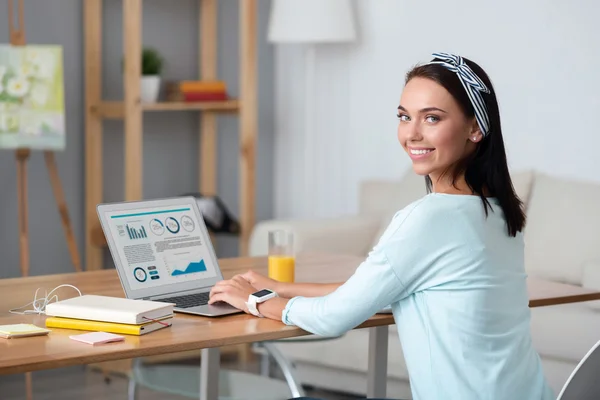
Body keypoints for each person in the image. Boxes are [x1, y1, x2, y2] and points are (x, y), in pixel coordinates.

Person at [208, 52, 555, 400]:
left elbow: (333, 317)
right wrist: (280, 287)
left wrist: (254, 301)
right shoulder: (500, 211)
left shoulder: (430, 218)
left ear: (475, 128)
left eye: (432, 118)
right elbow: (373, 289)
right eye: (405, 117)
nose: (412, 134)